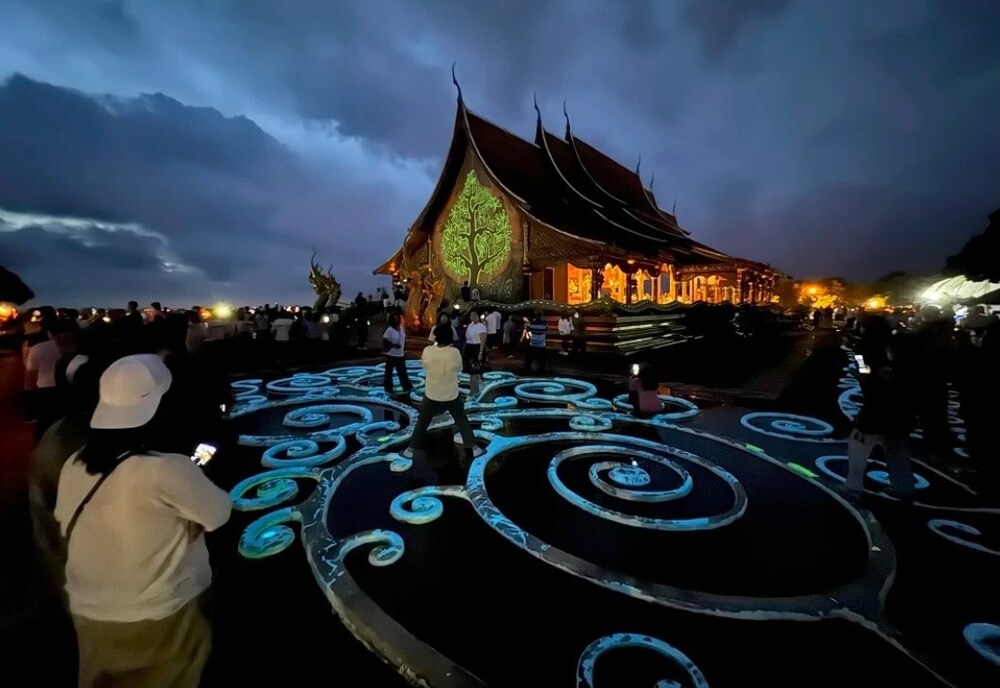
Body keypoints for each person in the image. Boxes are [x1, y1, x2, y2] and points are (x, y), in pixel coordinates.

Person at [55, 355, 232, 688]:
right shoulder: (166, 468)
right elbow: (219, 512)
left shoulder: (75, 463)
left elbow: (65, 524)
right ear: (162, 405)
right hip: (157, 614)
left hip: (88, 612)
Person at [845, 316, 917, 502]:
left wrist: (861, 374)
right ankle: (903, 486)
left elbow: (864, 373)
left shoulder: (862, 350)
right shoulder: (900, 346)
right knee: (896, 447)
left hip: (875, 406)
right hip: (901, 406)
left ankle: (853, 485)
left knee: (858, 445)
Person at [403, 324, 481, 463]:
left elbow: (425, 365)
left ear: (436, 336)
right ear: (450, 337)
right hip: (451, 393)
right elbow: (459, 368)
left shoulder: (428, 350)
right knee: (461, 419)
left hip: (432, 392)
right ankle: (475, 449)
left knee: (423, 421)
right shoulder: (454, 352)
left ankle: (410, 450)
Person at [382, 312, 412, 394]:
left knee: (402, 372)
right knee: (388, 373)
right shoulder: (389, 330)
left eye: (398, 318)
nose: (397, 319)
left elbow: (404, 340)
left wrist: (404, 350)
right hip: (391, 355)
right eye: (395, 318)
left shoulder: (401, 329)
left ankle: (407, 387)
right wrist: (393, 345)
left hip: (400, 355)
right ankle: (388, 388)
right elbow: (385, 341)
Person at [463, 311, 488, 396]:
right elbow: (467, 339)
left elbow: (483, 341)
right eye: (471, 315)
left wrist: (480, 352)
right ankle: (474, 389)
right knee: (471, 372)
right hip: (469, 348)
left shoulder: (481, 326)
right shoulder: (470, 325)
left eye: (474, 315)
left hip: (477, 349)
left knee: (475, 372)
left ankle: (473, 391)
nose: (472, 317)